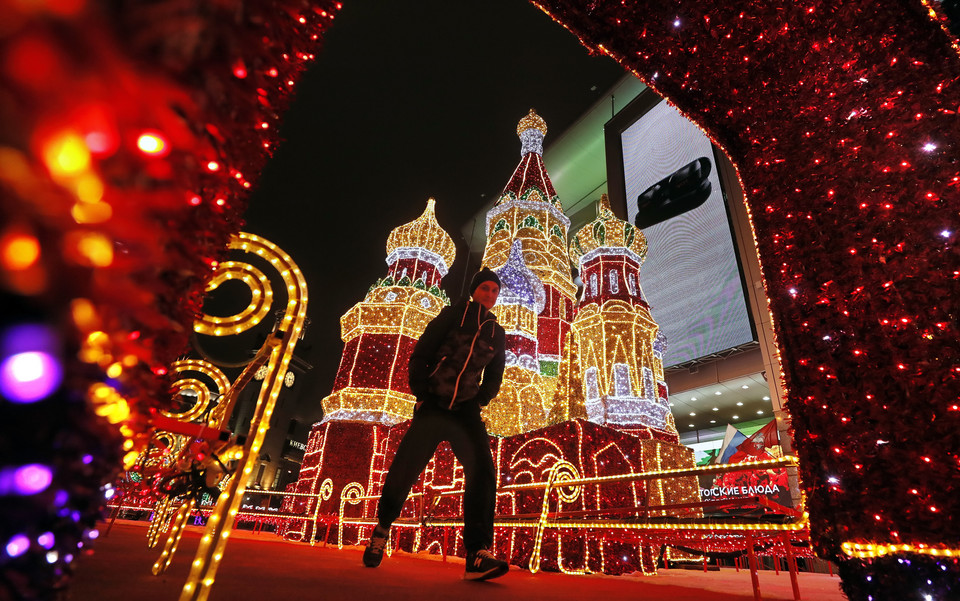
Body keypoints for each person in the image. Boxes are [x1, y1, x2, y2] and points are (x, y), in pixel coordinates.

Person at [362, 267, 509, 581]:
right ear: (474, 290)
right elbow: (423, 352)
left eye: (494, 291)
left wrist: (480, 399)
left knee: (483, 469)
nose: (490, 294)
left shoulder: (497, 333)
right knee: (407, 466)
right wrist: (422, 391)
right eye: (485, 288)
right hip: (435, 402)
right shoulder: (452, 316)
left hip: (465, 410)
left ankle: (477, 552)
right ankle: (382, 528)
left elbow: (495, 372)